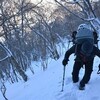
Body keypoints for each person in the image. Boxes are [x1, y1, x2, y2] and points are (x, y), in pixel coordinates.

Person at [62, 24, 100, 90]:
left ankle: (82, 83)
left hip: (89, 60)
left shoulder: (94, 49)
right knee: (74, 77)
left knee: (86, 78)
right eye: (84, 53)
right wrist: (65, 59)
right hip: (79, 59)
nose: (85, 54)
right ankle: (76, 81)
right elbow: (68, 52)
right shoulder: (77, 47)